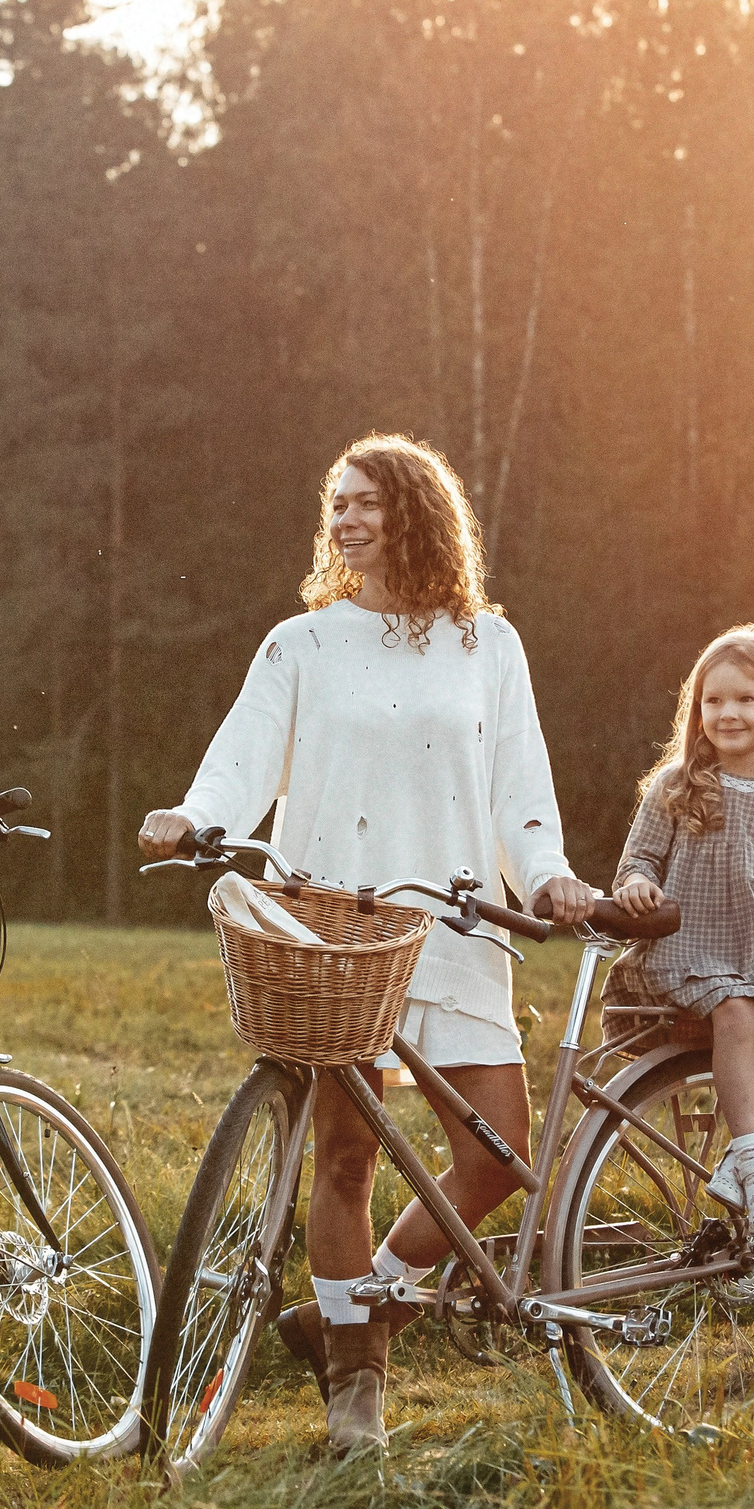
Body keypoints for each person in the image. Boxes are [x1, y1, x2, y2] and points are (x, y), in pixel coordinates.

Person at [139, 432, 595, 1456]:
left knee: (501, 1157)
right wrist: (191, 813)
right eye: (335, 503)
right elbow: (240, 759)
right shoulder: (300, 644)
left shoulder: (489, 645)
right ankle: (356, 1388)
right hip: (334, 927)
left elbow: (521, 794)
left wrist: (551, 872)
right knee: (342, 1156)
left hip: (455, 923)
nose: (343, 518)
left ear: (416, 515)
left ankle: (357, 1306)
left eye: (365, 502)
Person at [607, 623, 754, 1234]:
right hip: (689, 947)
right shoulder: (678, 784)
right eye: (713, 701)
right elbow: (637, 861)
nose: (728, 713)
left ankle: (744, 1163)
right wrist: (637, 883)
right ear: (696, 710)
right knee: (737, 1012)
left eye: (745, 699)